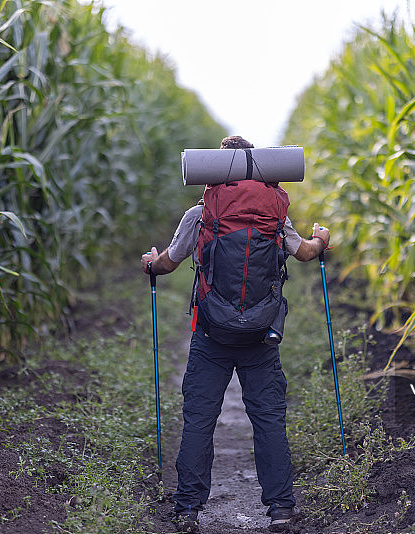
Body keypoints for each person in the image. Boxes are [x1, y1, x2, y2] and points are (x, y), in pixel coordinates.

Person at [140, 136, 330, 533]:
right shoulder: (273, 213)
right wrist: (321, 240)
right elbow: (305, 253)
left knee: (199, 420)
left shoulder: (201, 215)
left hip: (211, 334)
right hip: (262, 336)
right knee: (269, 420)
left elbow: (168, 264)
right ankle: (281, 509)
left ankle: (188, 509)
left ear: (216, 172)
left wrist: (150, 263)